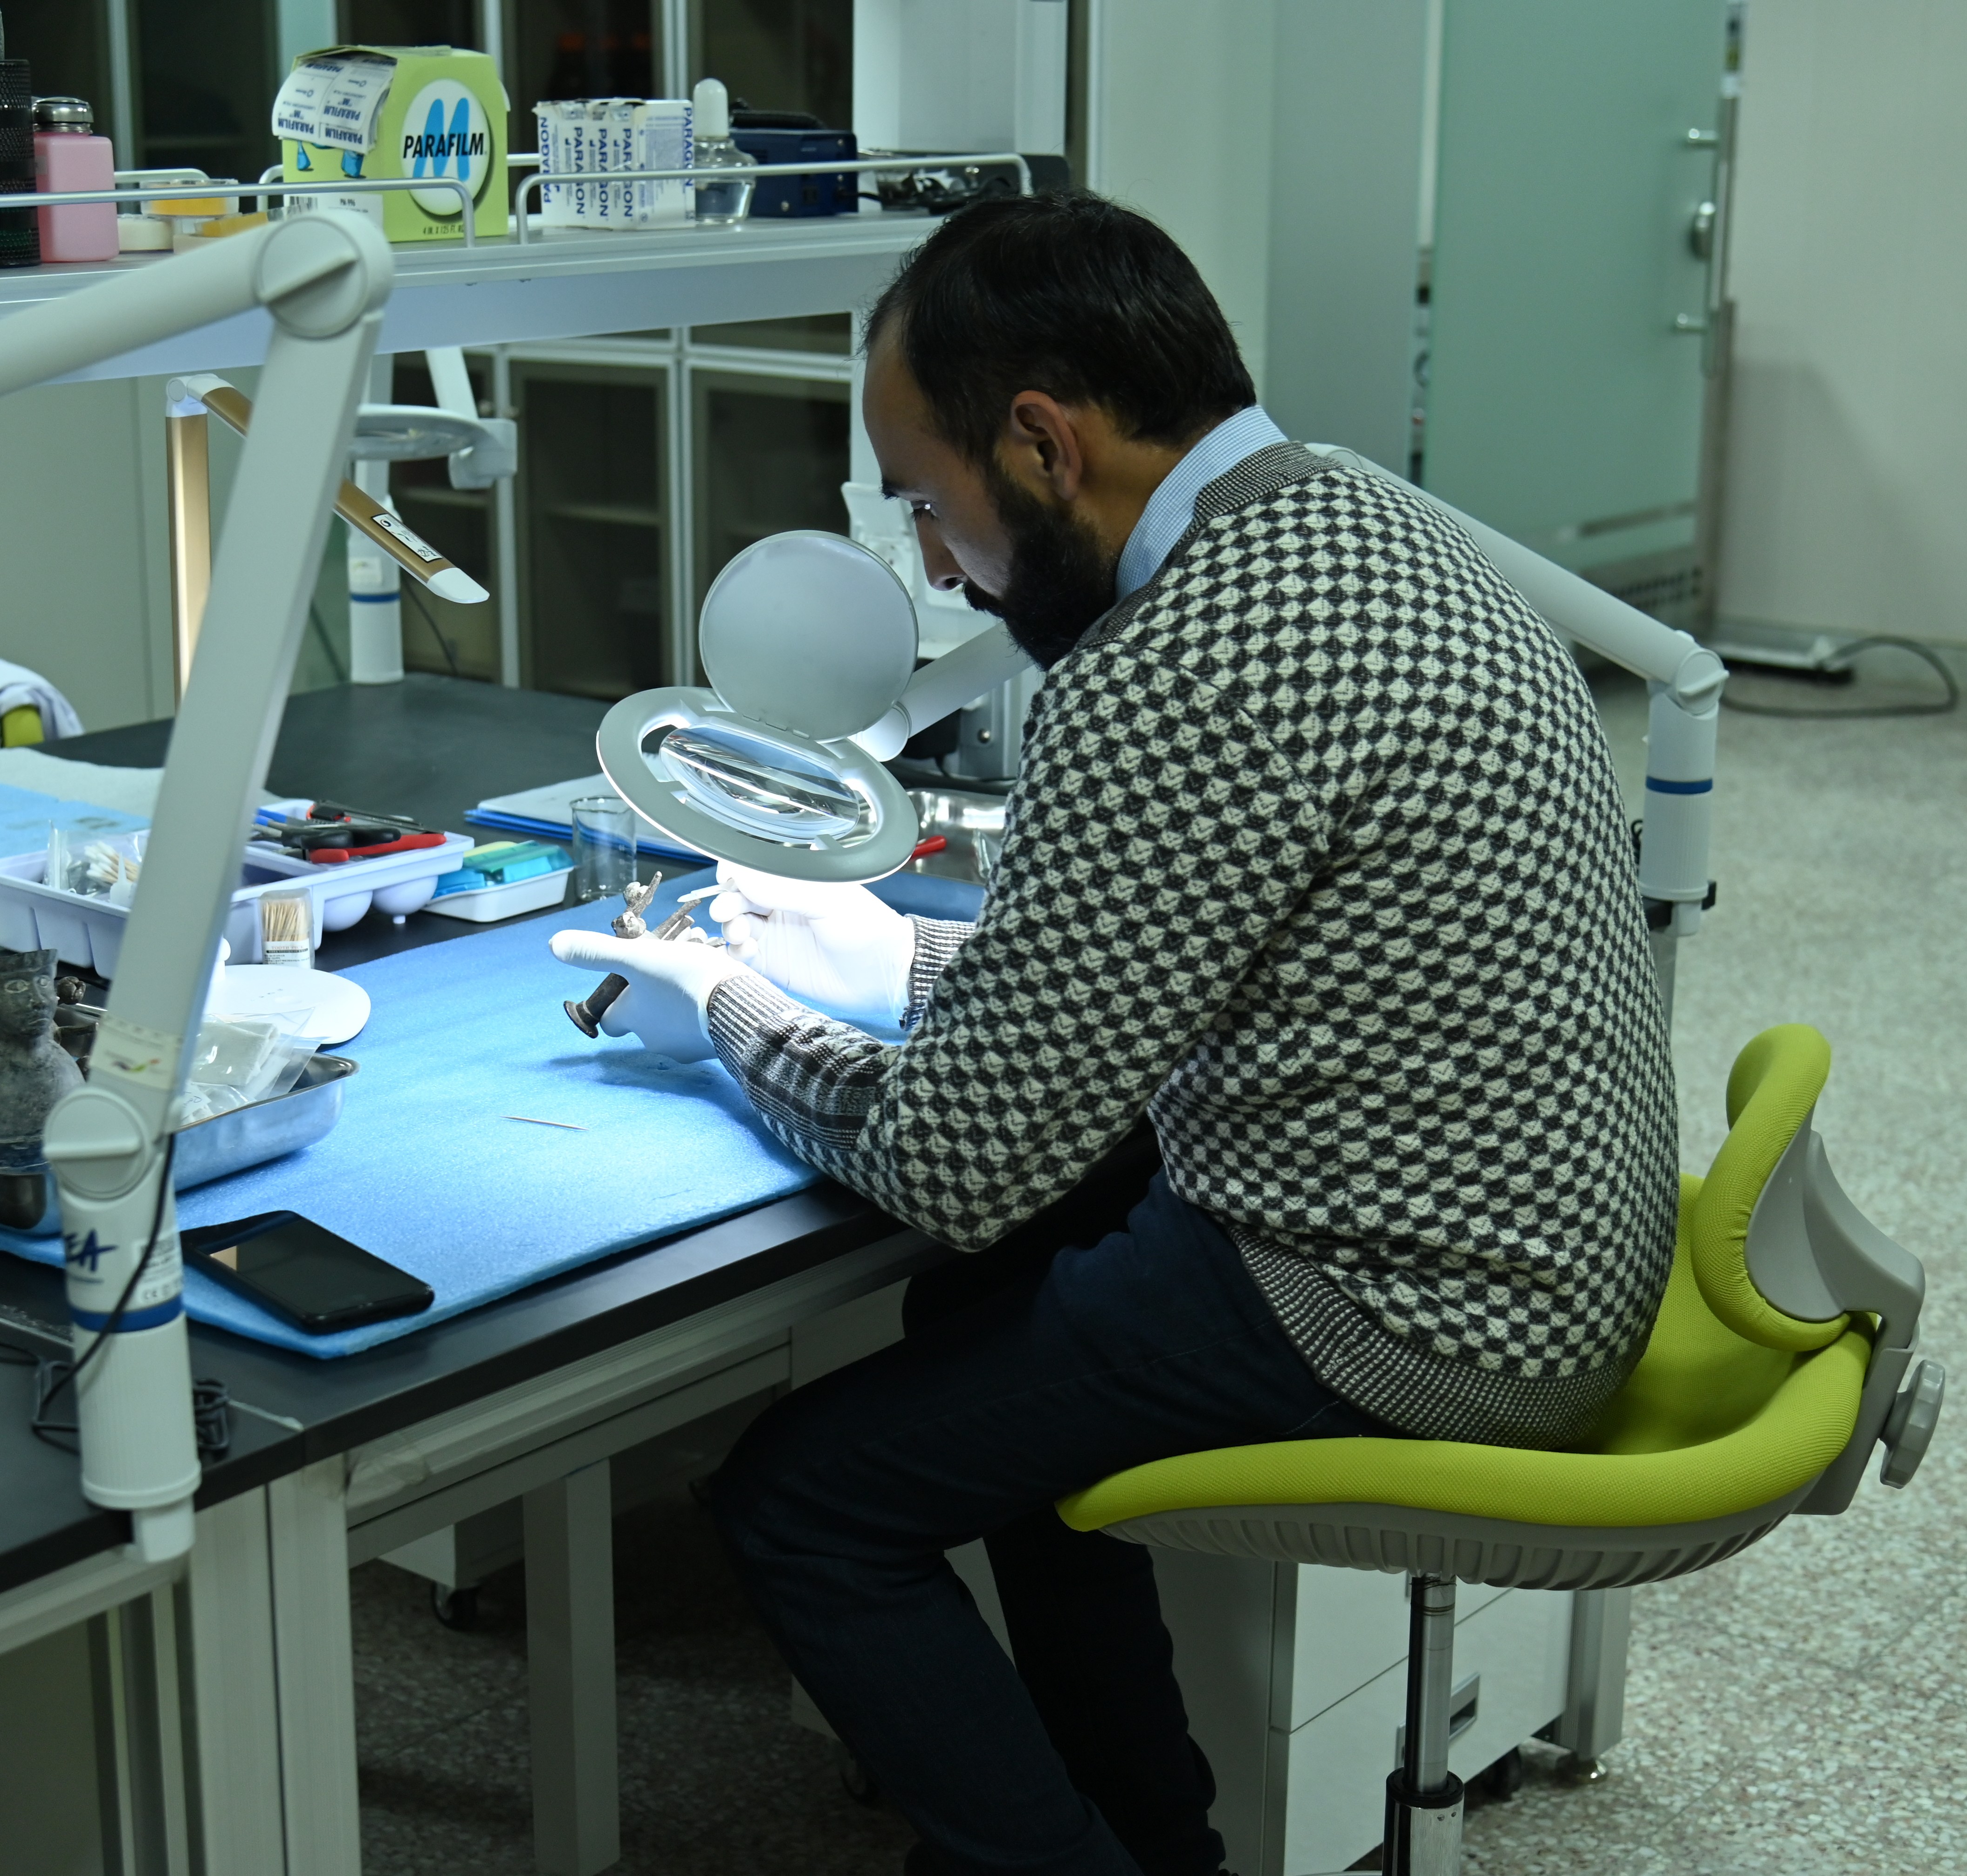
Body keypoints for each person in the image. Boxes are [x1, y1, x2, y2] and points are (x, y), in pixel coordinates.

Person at [550, 193, 1678, 1876]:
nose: (935, 563)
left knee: (805, 1500)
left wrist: (727, 1008)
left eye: (930, 506)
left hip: (1406, 1307)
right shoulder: (1361, 523)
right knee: (980, 1316)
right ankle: (1158, 1841)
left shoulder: (1169, 667)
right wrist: (885, 958)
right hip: (1545, 1244)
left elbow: (950, 1161)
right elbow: (1188, 974)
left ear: (1042, 443)